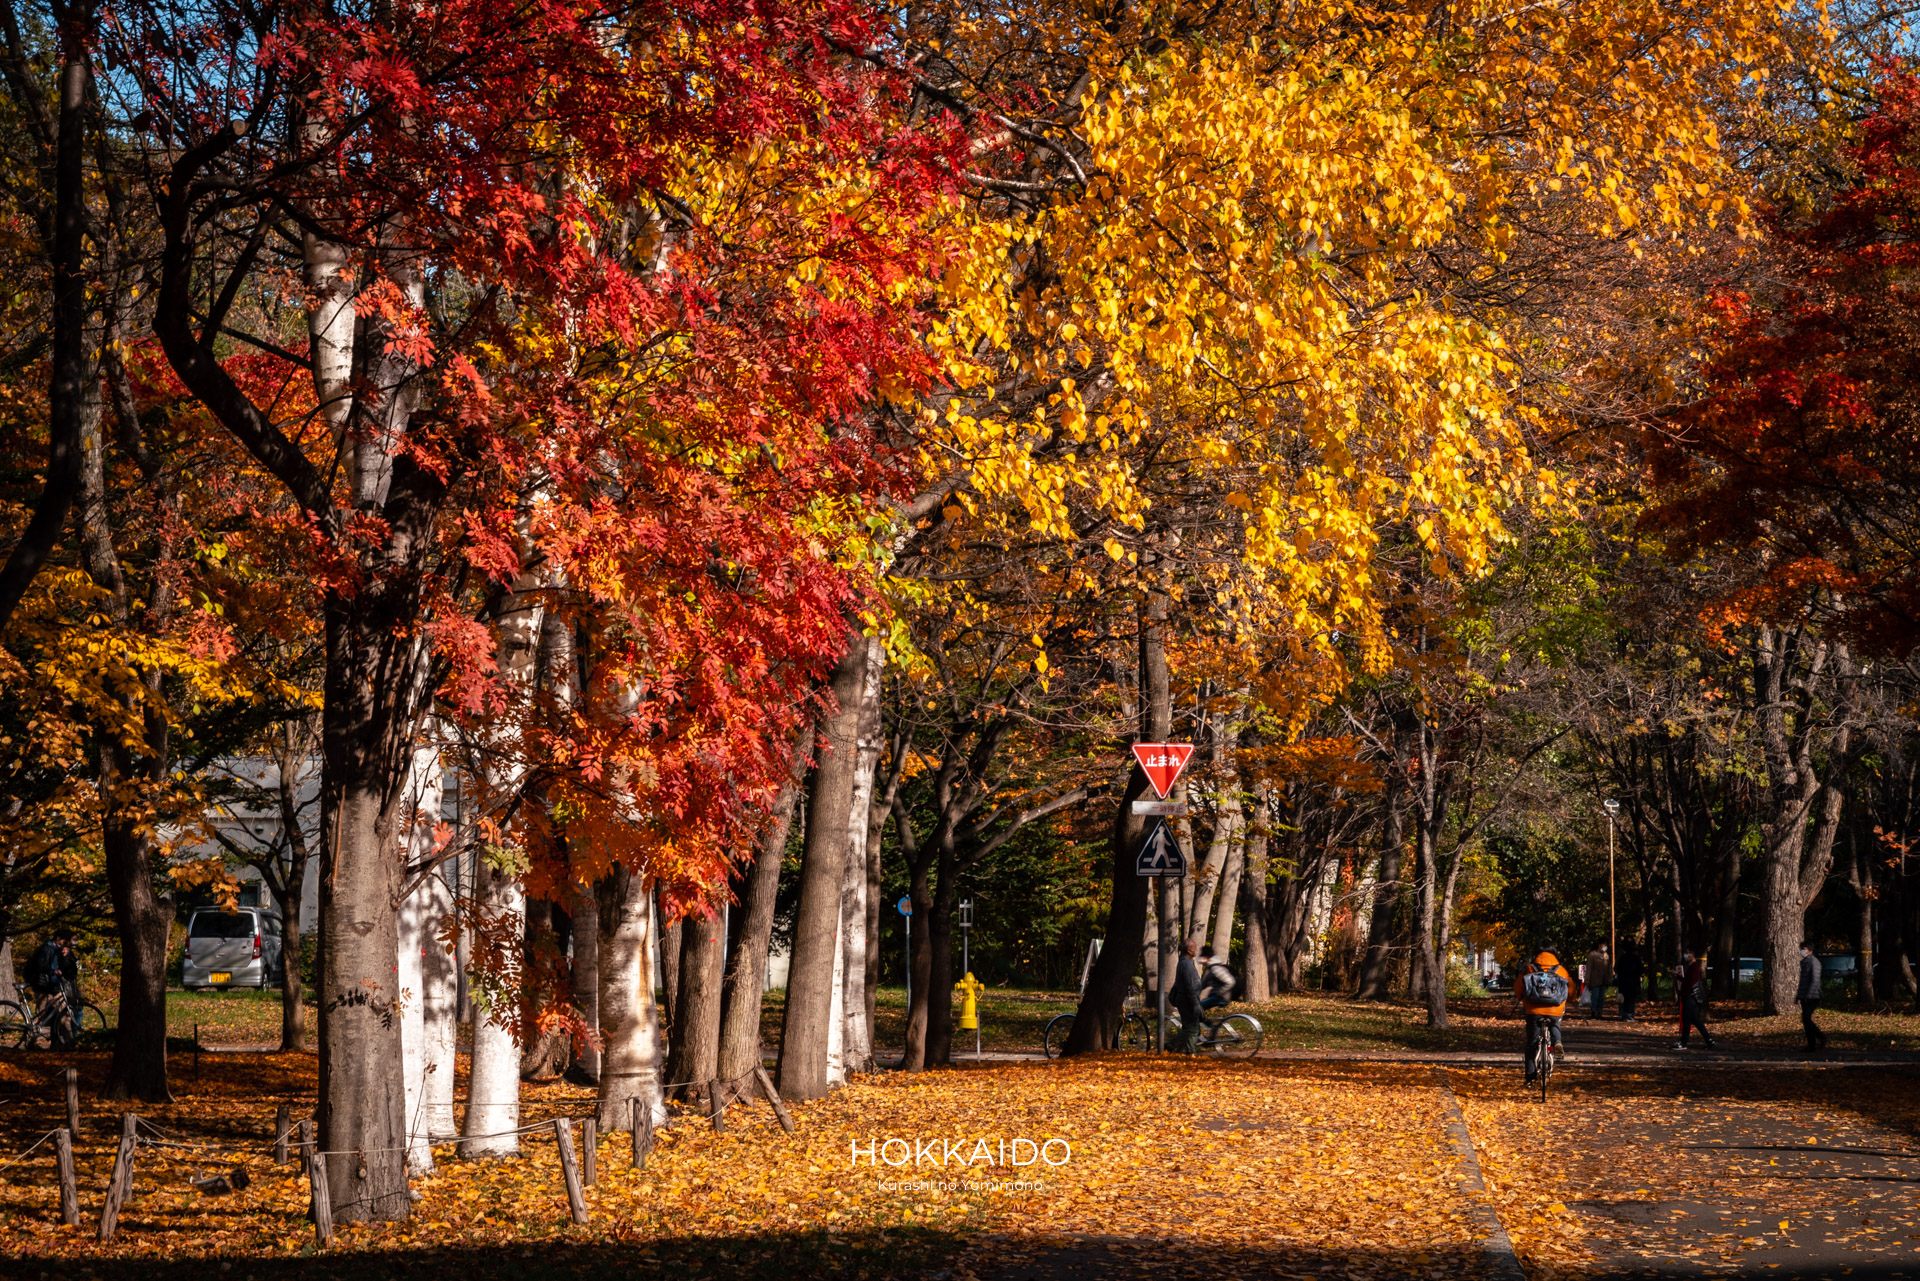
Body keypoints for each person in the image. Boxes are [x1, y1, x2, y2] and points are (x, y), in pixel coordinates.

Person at [1514, 949, 1571, 1083]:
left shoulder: (1529, 968)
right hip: (1554, 1009)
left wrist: (1521, 998)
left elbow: (1519, 987)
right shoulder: (1560, 970)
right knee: (1555, 1023)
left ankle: (1530, 1078)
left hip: (1533, 1011)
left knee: (1531, 1044)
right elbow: (1571, 988)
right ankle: (1557, 1042)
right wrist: (1569, 999)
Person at [26, 929, 79, 1048]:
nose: (65, 943)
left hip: (55, 987)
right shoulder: (46, 948)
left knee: (64, 1016)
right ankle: (30, 1041)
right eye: (64, 940)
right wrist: (52, 971)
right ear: (58, 938)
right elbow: (40, 965)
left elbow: (68, 968)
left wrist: (68, 955)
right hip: (44, 987)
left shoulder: (60, 951)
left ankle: (70, 1043)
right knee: (40, 1015)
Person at [1674, 949, 1715, 1050]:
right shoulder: (1693, 967)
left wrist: (1683, 994)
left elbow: (1689, 983)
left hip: (1690, 997)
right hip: (1692, 997)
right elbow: (1688, 981)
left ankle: (1684, 1042)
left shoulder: (1693, 967)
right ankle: (1708, 1040)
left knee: (1687, 1020)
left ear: (1692, 954)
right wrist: (1679, 977)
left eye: (1688, 953)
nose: (1686, 955)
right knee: (1695, 1020)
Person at [1171, 939, 1204, 1052]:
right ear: (1189, 950)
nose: (1196, 949)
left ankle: (1183, 1050)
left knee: (1192, 1027)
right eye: (1194, 947)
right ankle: (1175, 1048)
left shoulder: (1187, 962)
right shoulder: (1186, 964)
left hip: (1188, 998)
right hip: (1187, 999)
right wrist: (1195, 1004)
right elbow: (1189, 986)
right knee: (1191, 1029)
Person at [1797, 941, 1827, 1052]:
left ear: (1810, 950)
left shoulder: (1814, 962)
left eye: (1804, 949)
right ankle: (1811, 1045)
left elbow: (1815, 980)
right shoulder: (1805, 962)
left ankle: (1821, 1037)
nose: (1802, 951)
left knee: (1806, 1019)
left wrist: (1808, 995)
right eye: (1801, 949)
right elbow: (1803, 981)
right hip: (1805, 996)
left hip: (1813, 996)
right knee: (1806, 1020)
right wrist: (1799, 996)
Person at [1197, 945, 1237, 1015]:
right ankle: (1208, 1023)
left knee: (1198, 1007)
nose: (1201, 960)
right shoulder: (1211, 968)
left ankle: (1206, 1024)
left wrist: (1219, 993)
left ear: (1207, 957)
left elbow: (1230, 982)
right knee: (1201, 1006)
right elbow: (1203, 984)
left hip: (1222, 997)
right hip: (1218, 996)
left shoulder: (1215, 969)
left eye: (1203, 957)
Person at [1615, 946, 1644, 1021]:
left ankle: (1625, 1014)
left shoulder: (1622, 958)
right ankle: (1630, 1014)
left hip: (1624, 981)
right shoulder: (1636, 959)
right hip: (1633, 982)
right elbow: (1641, 970)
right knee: (1631, 999)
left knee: (1626, 999)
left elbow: (1617, 968)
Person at [1586, 943, 1612, 1019]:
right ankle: (1593, 1011)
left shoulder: (1606, 955)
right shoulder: (1592, 955)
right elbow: (1589, 968)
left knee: (1601, 997)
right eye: (1603, 945)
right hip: (1595, 980)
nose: (1604, 947)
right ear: (1599, 945)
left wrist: (1609, 978)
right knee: (1595, 996)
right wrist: (1587, 980)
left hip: (1604, 980)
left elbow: (1609, 968)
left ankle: (1599, 1011)